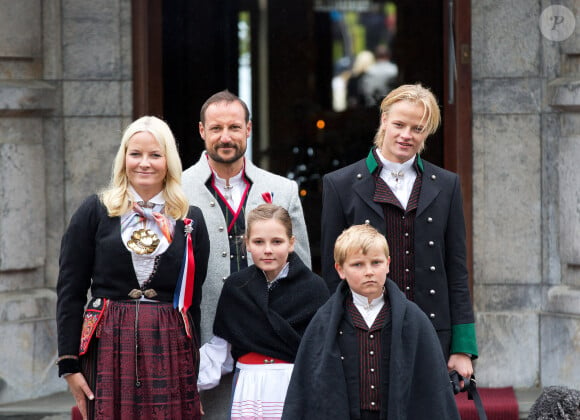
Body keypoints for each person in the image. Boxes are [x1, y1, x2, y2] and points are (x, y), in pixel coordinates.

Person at [320, 83, 478, 384]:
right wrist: (335, 337)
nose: (407, 135)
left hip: (433, 331)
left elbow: (456, 270)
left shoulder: (446, 185)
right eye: (399, 125)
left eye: (418, 128)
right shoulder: (339, 185)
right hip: (364, 331)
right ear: (383, 121)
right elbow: (332, 273)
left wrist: (462, 347)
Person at [56, 116, 210, 419]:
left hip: (168, 343)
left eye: (155, 154)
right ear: (123, 157)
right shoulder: (95, 210)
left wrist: (192, 370)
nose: (144, 163)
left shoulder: (190, 220)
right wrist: (68, 364)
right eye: (135, 154)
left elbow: (194, 302)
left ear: (169, 161)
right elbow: (70, 290)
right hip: (108, 340)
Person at [181, 90, 311, 418]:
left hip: (271, 352)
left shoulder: (282, 189)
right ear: (201, 131)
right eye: (216, 128)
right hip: (204, 344)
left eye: (235, 128)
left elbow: (302, 271)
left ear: (249, 130)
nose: (226, 137)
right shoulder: (177, 191)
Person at [282, 224, 461, 419]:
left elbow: (433, 389)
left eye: (376, 262)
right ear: (340, 269)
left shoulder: (413, 319)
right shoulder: (323, 323)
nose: (369, 272)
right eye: (358, 264)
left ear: (388, 264)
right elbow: (305, 390)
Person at [198, 204, 329, 419]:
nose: (268, 249)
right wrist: (188, 386)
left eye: (277, 242)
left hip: (294, 385)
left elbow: (322, 353)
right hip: (249, 385)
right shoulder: (236, 287)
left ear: (291, 243)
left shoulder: (315, 288)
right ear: (247, 243)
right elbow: (220, 351)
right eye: (259, 242)